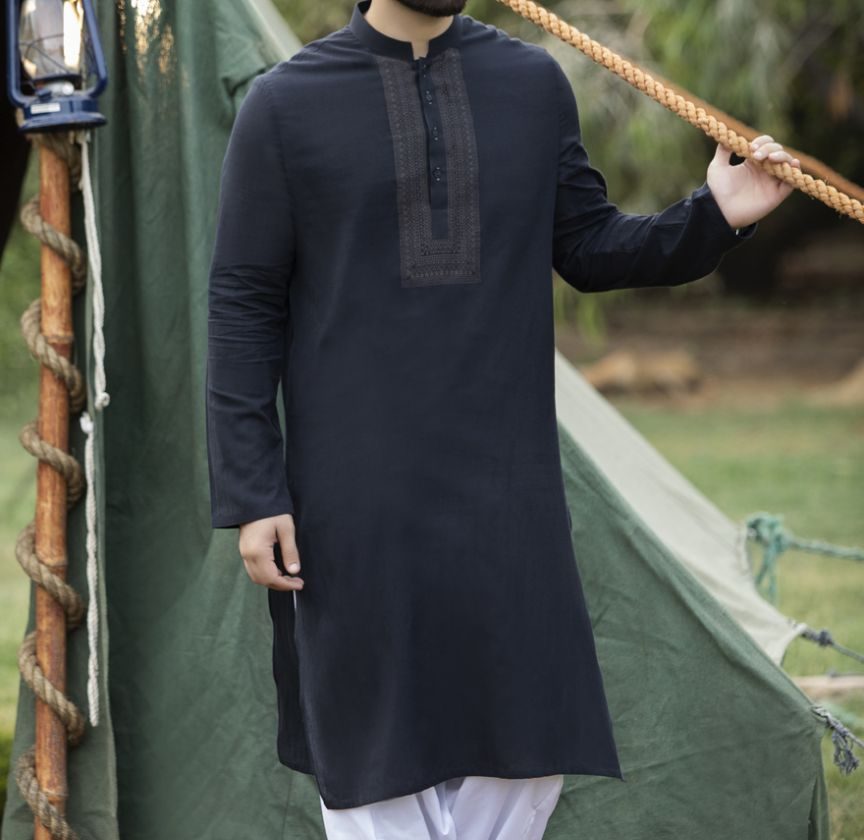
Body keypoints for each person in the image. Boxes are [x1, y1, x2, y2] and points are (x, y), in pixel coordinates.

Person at [204, 0, 800, 836]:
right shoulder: (284, 103)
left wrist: (716, 212)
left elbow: (589, 246)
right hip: (354, 502)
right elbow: (243, 302)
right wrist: (252, 491)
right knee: (373, 759)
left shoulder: (529, 83)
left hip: (507, 491)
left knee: (520, 750)